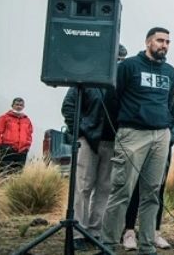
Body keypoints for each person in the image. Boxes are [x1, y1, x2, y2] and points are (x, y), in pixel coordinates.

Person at [99, 27, 174, 255]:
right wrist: (125, 125)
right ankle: (108, 244)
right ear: (148, 42)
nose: (164, 45)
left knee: (152, 192)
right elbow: (112, 100)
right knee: (122, 190)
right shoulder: (128, 67)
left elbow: (169, 103)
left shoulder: (171, 72)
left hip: (160, 136)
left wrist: (168, 133)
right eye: (160, 40)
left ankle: (146, 245)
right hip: (132, 134)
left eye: (168, 41)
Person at [60, 43, 126, 249]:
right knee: (83, 185)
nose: (118, 62)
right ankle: (78, 232)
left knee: (105, 188)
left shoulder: (122, 82)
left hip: (112, 140)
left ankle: (95, 232)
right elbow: (69, 106)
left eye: (122, 59)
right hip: (88, 140)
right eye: (116, 57)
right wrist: (80, 132)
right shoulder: (88, 77)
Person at [122, 92, 174, 251]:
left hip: (162, 148)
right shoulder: (140, 95)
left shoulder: (172, 98)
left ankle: (154, 233)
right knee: (134, 189)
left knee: (157, 190)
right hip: (139, 144)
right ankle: (129, 232)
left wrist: (168, 139)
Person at [0, 97, 33, 176]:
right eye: (17, 104)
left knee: (17, 174)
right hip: (8, 149)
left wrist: (27, 147)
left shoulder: (27, 120)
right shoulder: (4, 118)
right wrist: (1, 146)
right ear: (12, 105)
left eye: (21, 105)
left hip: (22, 151)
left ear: (23, 107)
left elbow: (29, 134)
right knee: (3, 173)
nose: (19, 107)